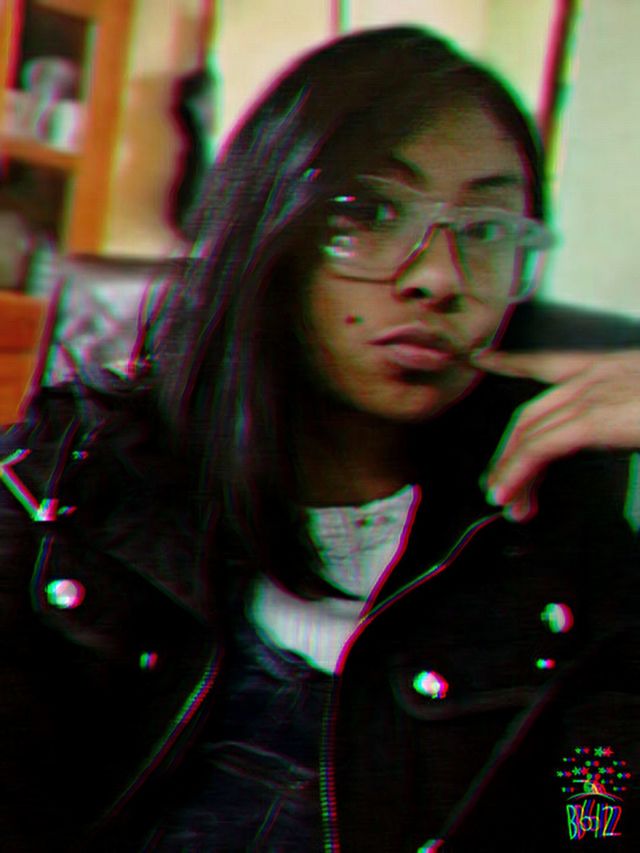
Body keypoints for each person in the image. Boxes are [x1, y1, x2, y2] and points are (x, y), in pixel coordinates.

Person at [0, 25, 638, 853]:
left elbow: (601, 796)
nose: (439, 278)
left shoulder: (553, 520)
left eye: (485, 230)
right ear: (269, 228)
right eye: (369, 213)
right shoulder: (68, 479)